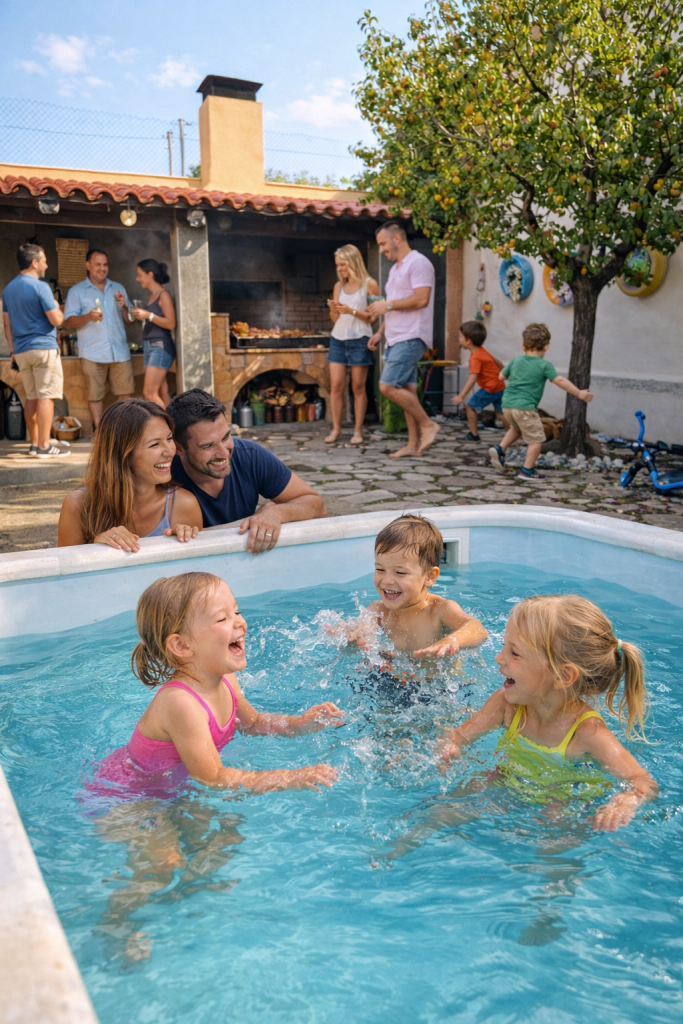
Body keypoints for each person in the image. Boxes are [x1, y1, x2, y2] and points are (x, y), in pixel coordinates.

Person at [90, 571, 343, 794]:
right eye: (222, 619)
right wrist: (288, 777)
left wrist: (297, 724)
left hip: (173, 787)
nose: (239, 622)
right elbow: (212, 777)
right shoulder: (181, 704)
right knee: (167, 848)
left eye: (236, 611)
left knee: (221, 842)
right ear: (182, 645)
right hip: (131, 794)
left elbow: (252, 723)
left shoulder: (226, 679)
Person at [437, 595, 657, 831]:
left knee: (556, 840)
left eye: (515, 653)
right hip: (508, 778)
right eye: (504, 646)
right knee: (441, 810)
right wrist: (448, 748)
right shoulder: (506, 703)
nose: (499, 658)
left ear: (563, 676)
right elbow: (461, 735)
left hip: (563, 797)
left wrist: (629, 800)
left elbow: (643, 781)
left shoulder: (588, 732)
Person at [167, 389, 326, 555]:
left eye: (225, 437)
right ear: (179, 448)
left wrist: (276, 512)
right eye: (207, 446)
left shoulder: (249, 455)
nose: (224, 453)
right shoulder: (164, 473)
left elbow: (317, 506)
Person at [331, 514, 488, 659]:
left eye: (400, 572)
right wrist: (350, 639)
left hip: (441, 687)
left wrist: (452, 640)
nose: (387, 581)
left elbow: (478, 630)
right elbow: (357, 643)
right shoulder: (378, 611)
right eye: (380, 569)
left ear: (429, 576)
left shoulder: (440, 610)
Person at [58, 398, 202, 549]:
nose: (170, 451)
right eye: (155, 444)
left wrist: (180, 546)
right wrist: (95, 548)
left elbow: (196, 572)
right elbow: (67, 570)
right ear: (122, 454)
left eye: (169, 438)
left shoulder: (184, 505)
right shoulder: (78, 505)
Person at [367, 221, 440, 458]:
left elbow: (421, 299)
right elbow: (395, 306)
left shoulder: (418, 263)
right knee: (407, 390)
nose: (381, 250)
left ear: (397, 238)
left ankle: (429, 425)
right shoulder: (397, 268)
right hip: (395, 337)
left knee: (386, 386)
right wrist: (380, 332)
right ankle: (412, 445)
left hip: (411, 336)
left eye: (383, 244)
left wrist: (386, 304)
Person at [488, 323, 593, 480]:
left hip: (508, 405)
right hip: (525, 408)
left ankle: (500, 449)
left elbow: (501, 377)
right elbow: (559, 380)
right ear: (547, 346)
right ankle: (527, 471)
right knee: (537, 439)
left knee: (516, 429)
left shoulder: (516, 361)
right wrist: (578, 393)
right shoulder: (545, 365)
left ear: (523, 346)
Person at [1, 243, 67, 458]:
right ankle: (45, 446)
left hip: (20, 350)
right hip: (43, 348)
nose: (47, 264)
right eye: (45, 260)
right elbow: (57, 319)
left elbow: (6, 325)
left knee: (31, 397)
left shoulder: (8, 289)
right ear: (34, 262)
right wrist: (56, 306)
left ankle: (34, 444)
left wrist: (13, 350)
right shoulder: (41, 287)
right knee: (46, 396)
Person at [63, 249, 134, 430]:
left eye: (105, 264)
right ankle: (101, 432)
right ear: (88, 266)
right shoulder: (77, 291)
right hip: (92, 352)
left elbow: (129, 320)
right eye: (98, 264)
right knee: (95, 396)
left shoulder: (118, 288)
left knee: (125, 393)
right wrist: (87, 317)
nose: (102, 268)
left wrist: (125, 306)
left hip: (119, 351)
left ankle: (120, 431)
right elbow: (69, 321)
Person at [325, 244, 379, 446]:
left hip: (360, 340)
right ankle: (336, 429)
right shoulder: (338, 287)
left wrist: (352, 311)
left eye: (342, 265)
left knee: (358, 387)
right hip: (338, 338)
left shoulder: (370, 284)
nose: (339, 269)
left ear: (353, 262)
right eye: (337, 265)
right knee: (336, 386)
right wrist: (334, 309)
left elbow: (373, 318)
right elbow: (334, 318)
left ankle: (358, 431)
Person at [450, 320, 510, 441]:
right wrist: (504, 372)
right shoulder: (482, 350)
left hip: (490, 388)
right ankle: (513, 435)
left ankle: (474, 434)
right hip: (499, 386)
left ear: (468, 341)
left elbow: (472, 379)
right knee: (501, 413)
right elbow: (498, 362)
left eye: (461, 337)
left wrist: (461, 395)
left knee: (470, 406)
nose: (460, 339)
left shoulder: (476, 358)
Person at [129, 258, 176, 410]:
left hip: (160, 346)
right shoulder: (151, 297)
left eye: (139, 275)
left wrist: (148, 316)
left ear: (150, 275)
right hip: (151, 346)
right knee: (162, 392)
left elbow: (171, 323)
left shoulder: (164, 295)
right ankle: (175, 428)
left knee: (149, 393)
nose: (137, 279)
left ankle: (168, 430)